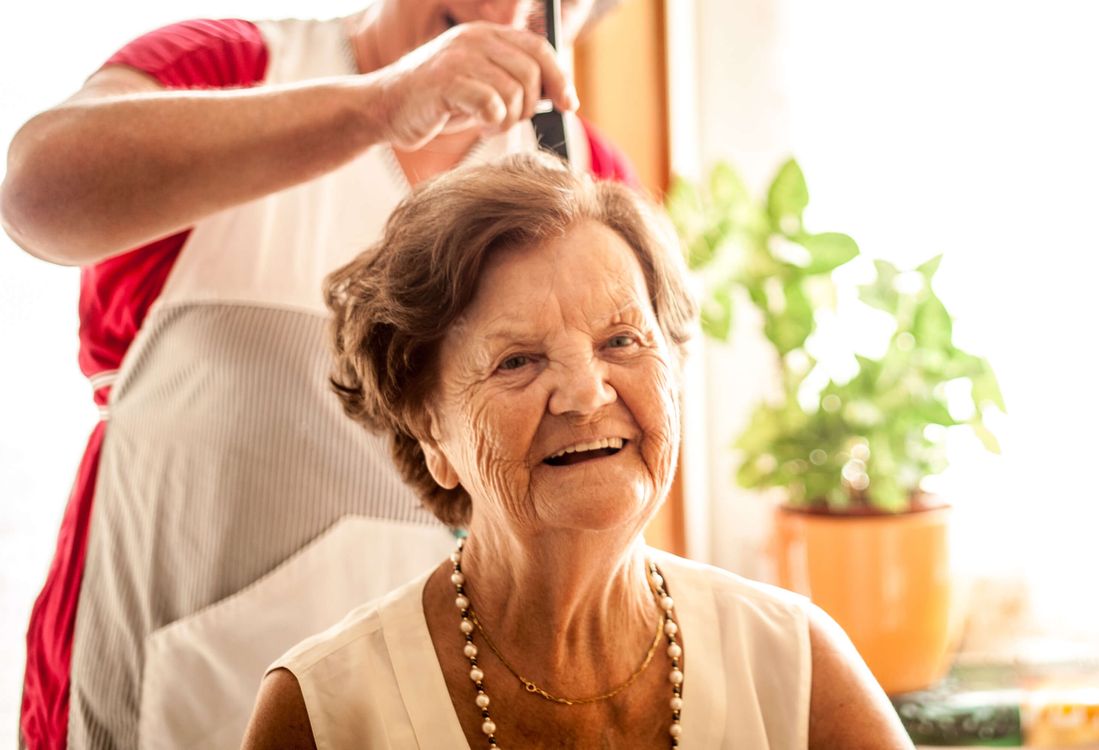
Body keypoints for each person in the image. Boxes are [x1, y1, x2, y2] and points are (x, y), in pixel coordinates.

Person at [0, 2, 636, 747]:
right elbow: (37, 192)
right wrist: (383, 106)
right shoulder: (232, 67)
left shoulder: (582, 178)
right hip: (170, 673)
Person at [238, 151, 911, 749]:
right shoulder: (322, 715)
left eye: (620, 341)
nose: (586, 395)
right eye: (518, 361)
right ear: (429, 431)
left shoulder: (796, 668)